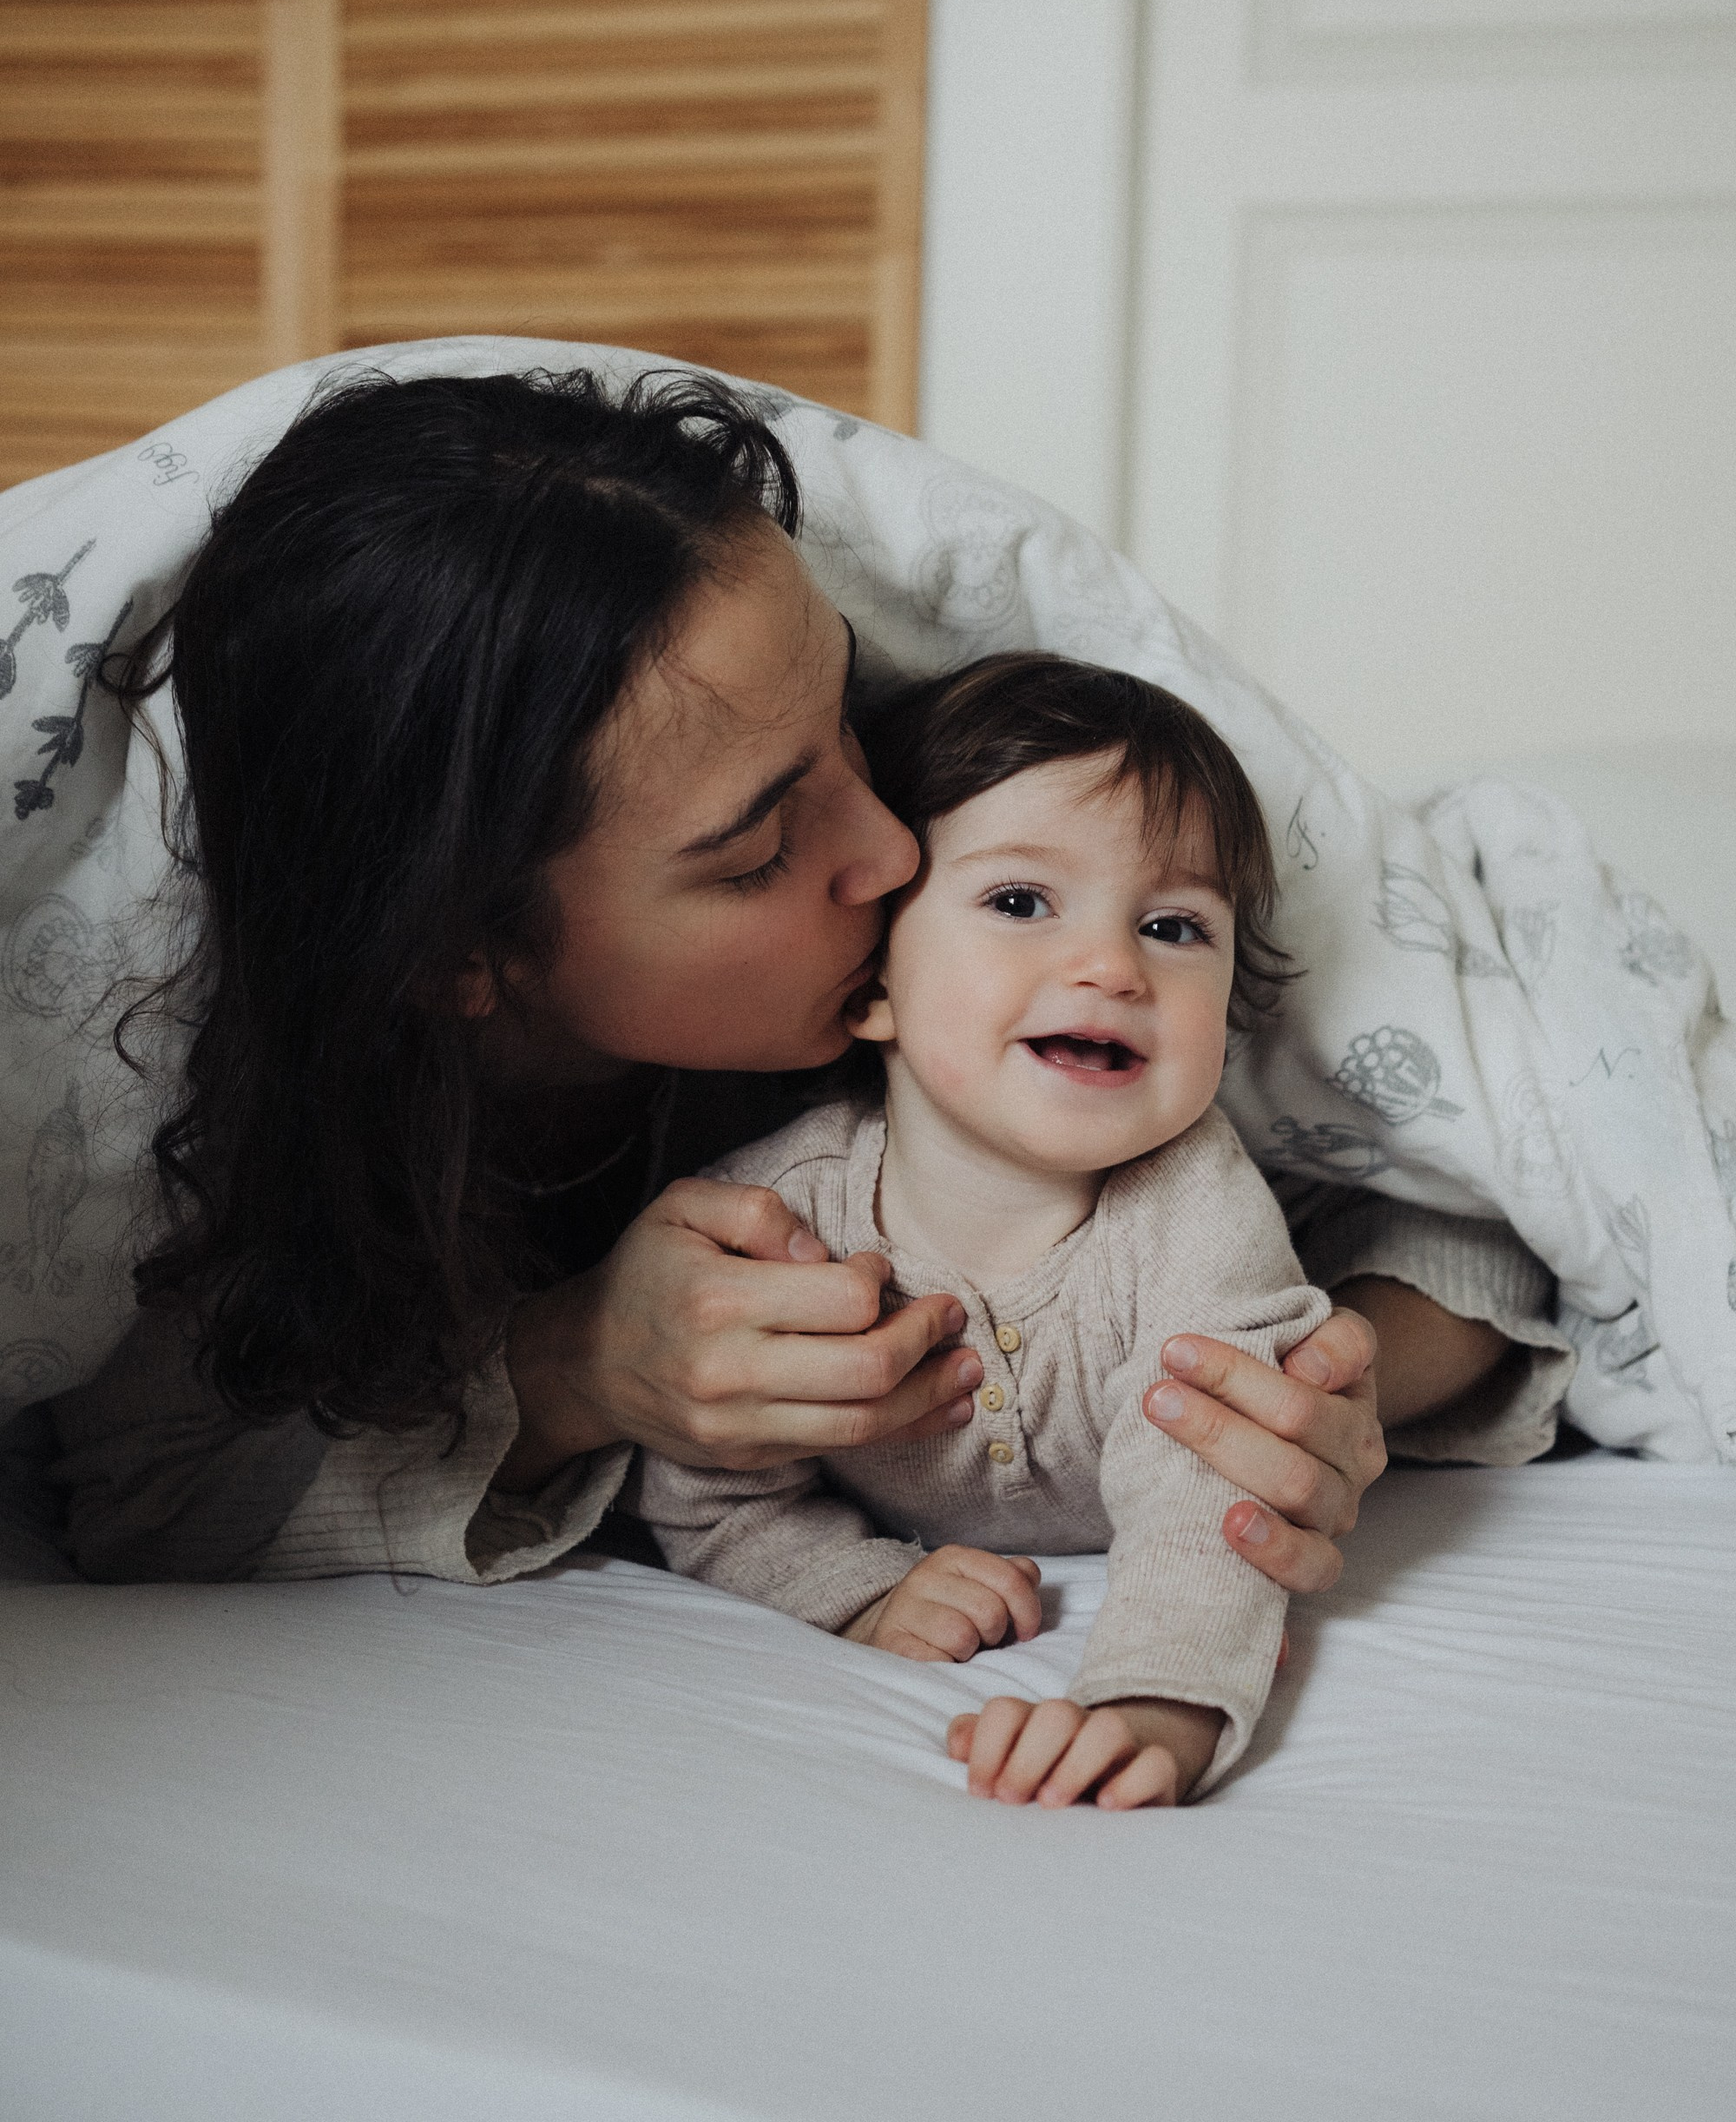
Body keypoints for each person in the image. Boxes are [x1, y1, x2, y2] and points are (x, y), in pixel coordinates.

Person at [42, 367, 1557, 1589]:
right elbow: (132, 1486)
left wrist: (1332, 1385)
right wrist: (576, 1368)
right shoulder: (248, 1112)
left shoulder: (982, 946)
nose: (895, 847)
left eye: (851, 718)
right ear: (459, 953)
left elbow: (1460, 1190)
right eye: (761, 848)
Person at [638, 655, 1336, 1807]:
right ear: (872, 984)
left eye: (1173, 926)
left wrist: (1154, 1706)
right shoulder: (780, 1221)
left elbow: (1212, 1486)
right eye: (1020, 903)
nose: (1111, 965)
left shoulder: (1199, 1210)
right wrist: (851, 1587)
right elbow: (705, 1484)